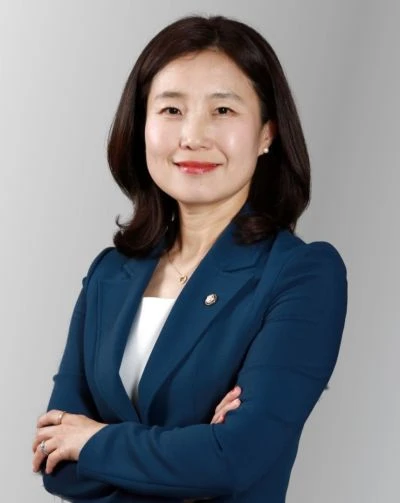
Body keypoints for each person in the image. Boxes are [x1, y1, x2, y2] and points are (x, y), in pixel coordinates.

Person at [32, 14, 348, 503]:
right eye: (171, 109)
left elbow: (234, 460)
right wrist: (189, 454)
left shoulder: (301, 274)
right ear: (142, 126)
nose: (193, 136)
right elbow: (55, 462)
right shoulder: (109, 274)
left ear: (267, 133)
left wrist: (92, 440)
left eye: (222, 110)